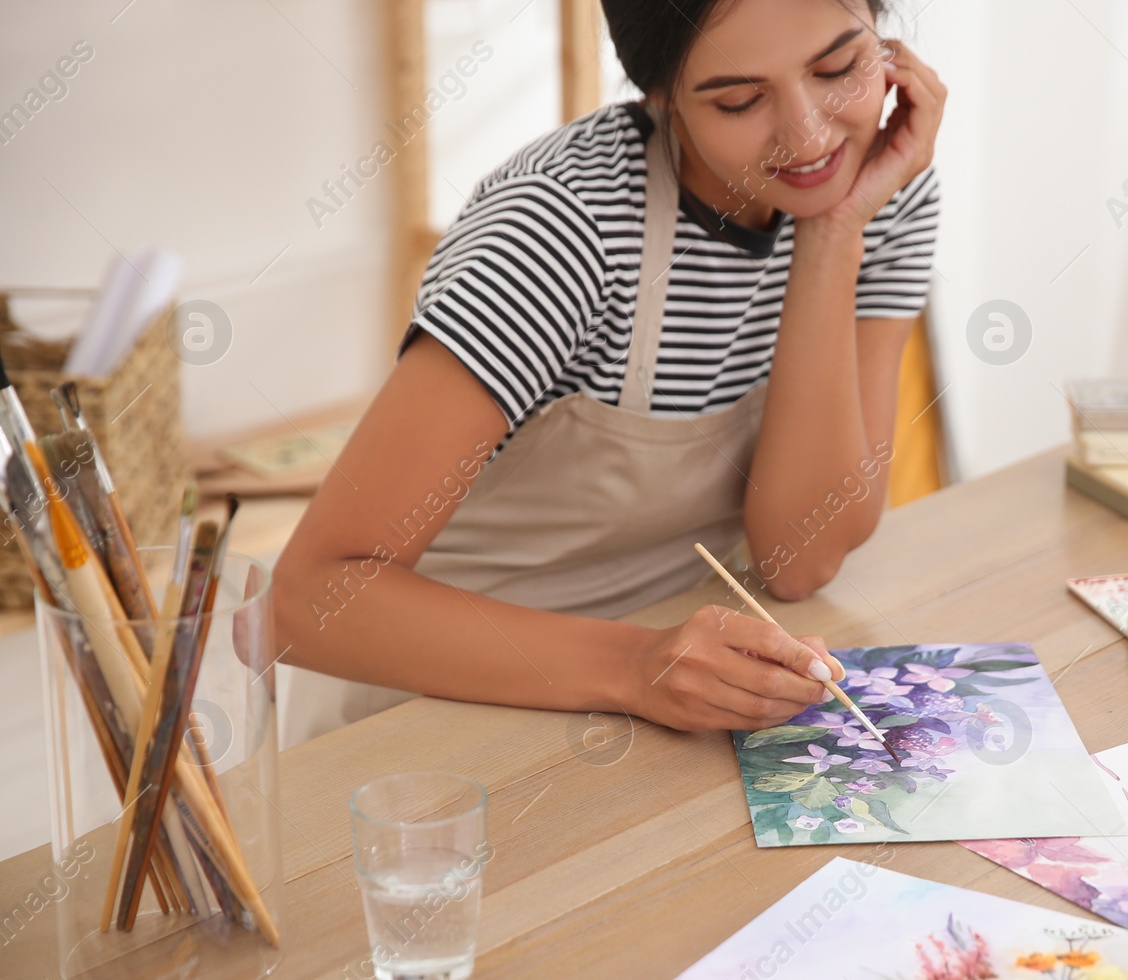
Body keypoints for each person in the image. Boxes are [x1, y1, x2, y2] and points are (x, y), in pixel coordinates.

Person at [272, 0, 945, 742]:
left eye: (838, 67)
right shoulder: (561, 228)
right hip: (436, 704)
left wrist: (834, 232)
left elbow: (799, 559)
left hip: (674, 688)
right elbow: (311, 598)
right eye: (740, 100)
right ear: (658, 96)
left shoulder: (881, 186)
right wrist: (637, 666)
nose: (811, 135)